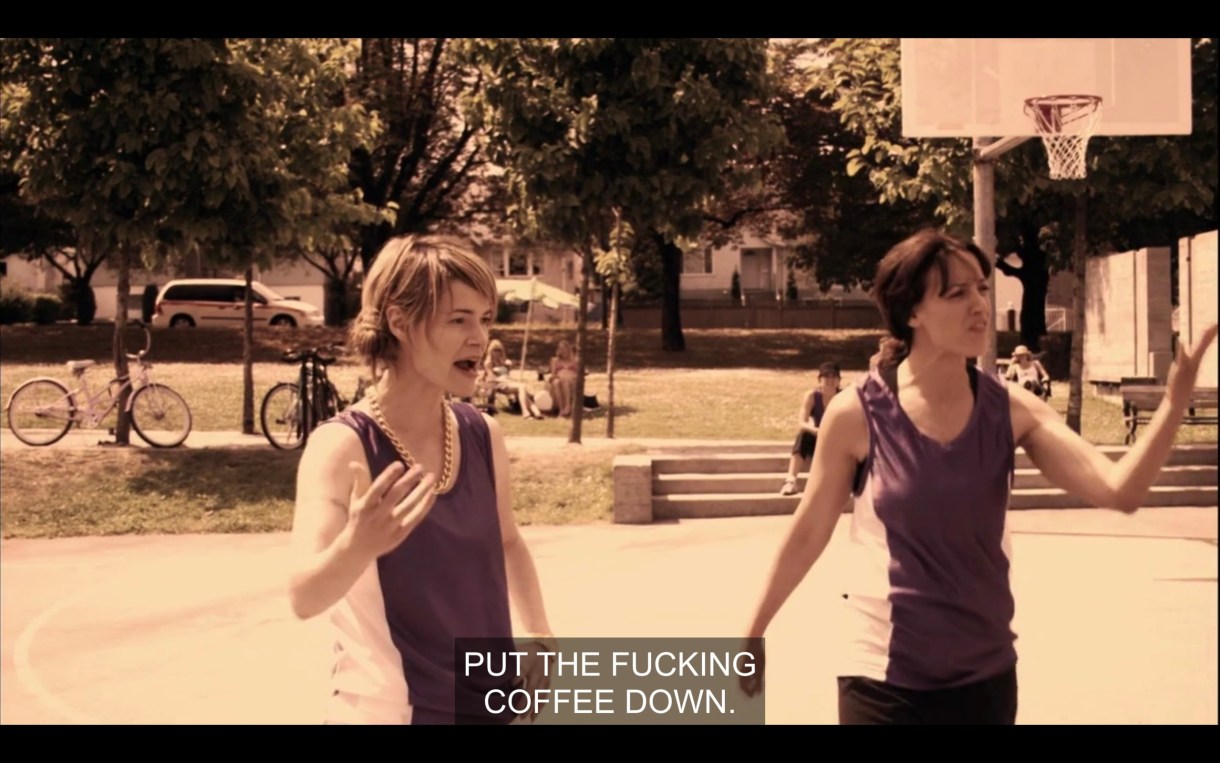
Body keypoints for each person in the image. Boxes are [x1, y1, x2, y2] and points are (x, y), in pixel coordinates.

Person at [739, 228, 1218, 725]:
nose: (979, 305)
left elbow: (1122, 490)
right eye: (957, 293)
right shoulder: (856, 413)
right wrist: (754, 629)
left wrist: (1174, 401)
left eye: (982, 289)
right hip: (880, 674)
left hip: (983, 679)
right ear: (912, 313)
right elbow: (810, 528)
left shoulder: (1011, 410)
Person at [287, 234, 557, 725]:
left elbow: (508, 543)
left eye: (485, 319)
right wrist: (356, 545)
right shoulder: (341, 447)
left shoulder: (481, 433)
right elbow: (304, 596)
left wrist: (540, 635)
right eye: (459, 320)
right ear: (399, 321)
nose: (479, 338)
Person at [779, 362, 842, 496]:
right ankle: (790, 480)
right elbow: (802, 422)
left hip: (838, 440)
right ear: (820, 379)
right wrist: (817, 431)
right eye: (826, 376)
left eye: (833, 377)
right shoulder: (812, 396)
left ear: (838, 380)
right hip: (819, 436)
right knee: (803, 435)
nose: (830, 380)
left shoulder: (844, 397)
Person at [478, 338, 544, 418]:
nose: (497, 352)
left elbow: (507, 375)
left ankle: (535, 412)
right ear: (490, 351)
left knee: (521, 388)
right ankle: (527, 411)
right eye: (494, 350)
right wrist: (503, 379)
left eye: (499, 350)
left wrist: (508, 368)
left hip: (508, 382)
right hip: (498, 384)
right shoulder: (488, 363)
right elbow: (491, 377)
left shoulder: (504, 362)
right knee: (521, 387)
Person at [546, 339, 580, 417]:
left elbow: (579, 374)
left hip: (572, 380)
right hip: (559, 378)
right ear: (559, 350)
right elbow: (553, 374)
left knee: (566, 379)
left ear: (569, 350)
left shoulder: (575, 360)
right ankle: (561, 409)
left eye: (565, 349)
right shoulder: (555, 360)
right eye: (561, 349)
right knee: (557, 382)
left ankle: (567, 405)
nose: (563, 351)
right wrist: (559, 376)